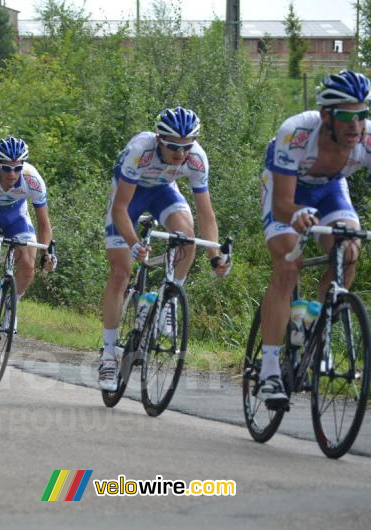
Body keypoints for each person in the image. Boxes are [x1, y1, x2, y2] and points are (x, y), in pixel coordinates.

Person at [257, 70, 371, 409]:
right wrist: (294, 214)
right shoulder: (297, 132)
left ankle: (314, 328)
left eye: (363, 114)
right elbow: (281, 204)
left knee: (348, 251)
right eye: (348, 116)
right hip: (286, 191)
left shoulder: (365, 141)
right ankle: (270, 370)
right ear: (326, 117)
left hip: (331, 190)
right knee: (288, 267)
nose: (356, 125)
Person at [97, 107, 231, 392]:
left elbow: (206, 215)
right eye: (173, 147)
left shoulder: (196, 159)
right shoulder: (140, 151)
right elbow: (120, 208)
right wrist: (134, 245)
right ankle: (109, 355)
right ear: (159, 139)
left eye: (186, 146)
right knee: (121, 272)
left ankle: (166, 300)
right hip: (128, 196)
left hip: (162, 191)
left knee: (187, 239)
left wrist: (215, 255)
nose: (180, 154)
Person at [0, 136, 57, 349]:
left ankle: (10, 306)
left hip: (17, 217)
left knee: (28, 264)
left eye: (17, 168)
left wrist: (47, 254)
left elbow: (43, 223)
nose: (12, 174)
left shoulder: (32, 179)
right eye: (6, 168)